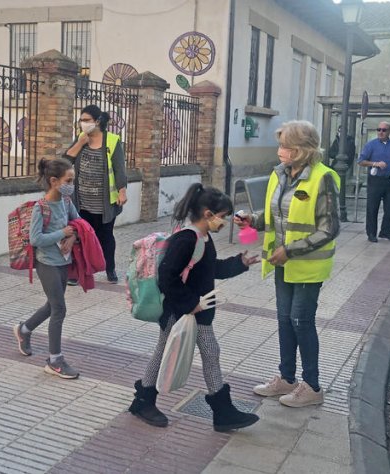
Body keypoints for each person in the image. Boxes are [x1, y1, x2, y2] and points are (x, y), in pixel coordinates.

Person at [128, 183, 260, 432]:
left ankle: (220, 411)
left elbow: (212, 269)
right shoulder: (186, 239)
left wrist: (240, 263)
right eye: (222, 217)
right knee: (178, 352)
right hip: (181, 312)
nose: (225, 222)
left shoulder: (203, 237)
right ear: (208, 214)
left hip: (194, 311)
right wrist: (191, 304)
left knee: (208, 352)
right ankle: (146, 400)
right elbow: (167, 276)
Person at [235, 120, 340, 408]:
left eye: (285, 146)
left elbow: (329, 228)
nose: (280, 150)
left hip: (307, 265)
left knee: (300, 321)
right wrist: (251, 220)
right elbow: (275, 216)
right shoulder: (279, 174)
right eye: (280, 145)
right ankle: (286, 378)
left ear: (301, 151)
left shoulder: (323, 178)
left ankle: (313, 386)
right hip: (283, 263)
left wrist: (290, 250)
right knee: (284, 320)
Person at [13, 158, 82, 379]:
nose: (72, 184)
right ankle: (55, 360)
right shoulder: (40, 208)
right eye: (68, 180)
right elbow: (36, 239)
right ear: (54, 181)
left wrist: (75, 236)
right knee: (59, 309)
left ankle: (24, 329)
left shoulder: (66, 202)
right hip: (47, 264)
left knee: (52, 306)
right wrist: (63, 234)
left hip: (64, 262)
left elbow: (79, 223)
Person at [64, 104, 127, 284]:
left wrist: (122, 190)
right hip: (81, 200)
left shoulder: (112, 140)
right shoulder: (80, 139)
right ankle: (79, 273)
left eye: (86, 120)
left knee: (106, 236)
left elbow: (119, 169)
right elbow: (65, 161)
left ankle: (110, 269)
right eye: (81, 120)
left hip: (105, 201)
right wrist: (80, 143)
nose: (82, 123)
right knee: (80, 235)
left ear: (97, 121)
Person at [358, 121, 390, 242]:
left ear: (389, 132)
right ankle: (371, 233)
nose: (381, 132)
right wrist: (375, 164)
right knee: (372, 208)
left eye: (384, 130)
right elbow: (361, 161)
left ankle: (386, 232)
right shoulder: (370, 145)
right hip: (375, 180)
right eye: (379, 129)